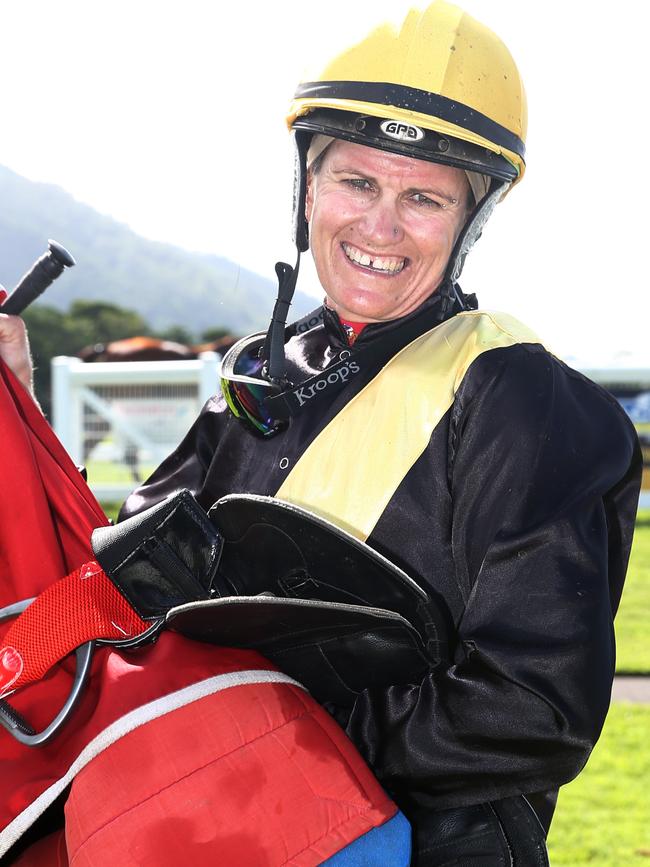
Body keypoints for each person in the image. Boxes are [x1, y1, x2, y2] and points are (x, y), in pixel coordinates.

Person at [0, 2, 642, 864]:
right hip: (219, 824)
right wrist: (20, 411)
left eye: (423, 197)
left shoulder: (525, 401)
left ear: (468, 222)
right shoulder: (263, 364)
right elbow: (126, 588)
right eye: (357, 182)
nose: (380, 226)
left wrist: (268, 728)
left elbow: (533, 709)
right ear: (307, 189)